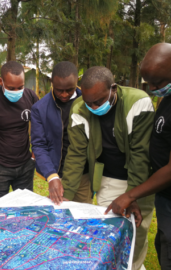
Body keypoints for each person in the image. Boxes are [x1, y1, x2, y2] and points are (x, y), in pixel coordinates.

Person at [57, 66, 154, 270]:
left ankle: (134, 265)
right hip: (109, 178)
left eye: (98, 101)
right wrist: (67, 194)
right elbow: (76, 154)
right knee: (110, 231)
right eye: (88, 101)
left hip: (142, 180)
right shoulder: (78, 108)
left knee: (137, 231)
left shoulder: (139, 103)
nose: (92, 107)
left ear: (114, 88)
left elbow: (140, 154)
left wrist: (132, 196)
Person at [105, 43, 171, 269]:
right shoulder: (167, 98)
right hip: (164, 196)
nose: (152, 88)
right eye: (148, 82)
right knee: (164, 245)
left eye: (158, 82)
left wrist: (129, 195)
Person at [0, 61, 39, 202]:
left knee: (25, 210)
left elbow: (39, 125)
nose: (16, 92)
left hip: (25, 165)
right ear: (1, 81)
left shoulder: (30, 97)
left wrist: (34, 155)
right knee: (0, 212)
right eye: (11, 88)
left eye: (20, 87)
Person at [31, 61, 92, 204]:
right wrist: (52, 176)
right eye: (59, 90)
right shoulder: (39, 108)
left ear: (77, 81)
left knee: (83, 215)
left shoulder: (89, 102)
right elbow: (39, 145)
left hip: (84, 173)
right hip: (58, 173)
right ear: (52, 82)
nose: (64, 94)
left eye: (69, 89)